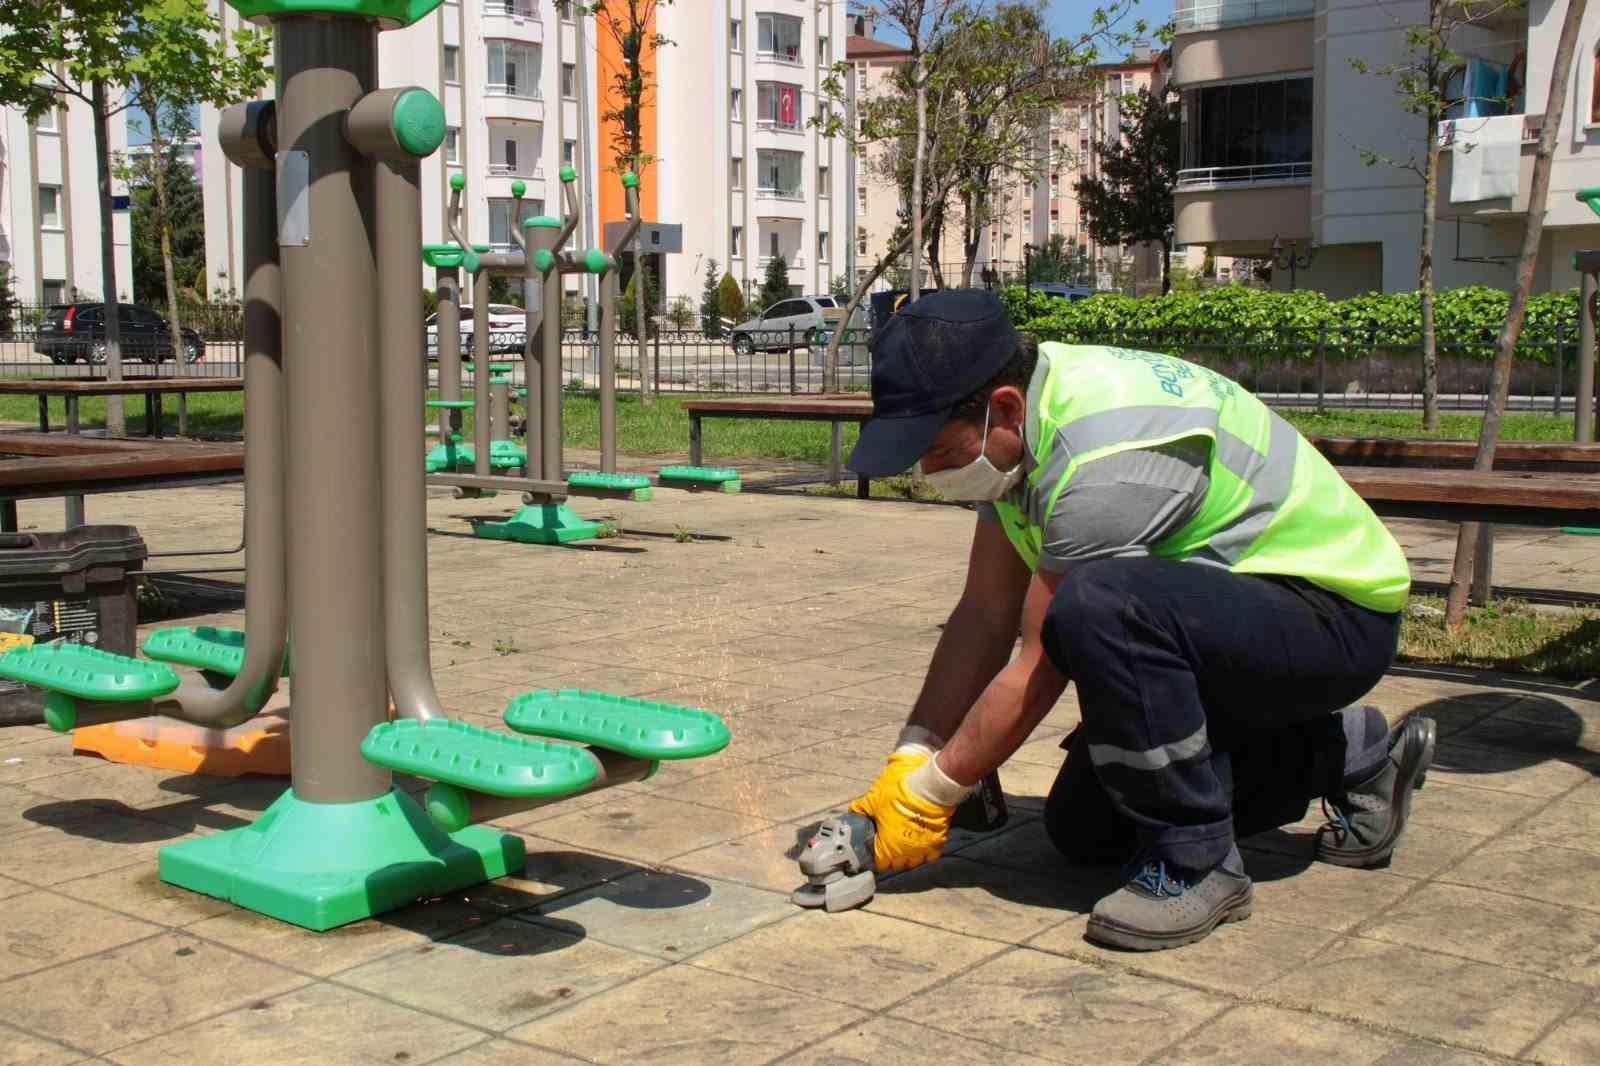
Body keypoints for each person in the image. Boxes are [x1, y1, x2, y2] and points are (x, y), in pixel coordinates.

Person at [843, 289, 1434, 952]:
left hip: (1332, 613)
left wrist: (934, 791)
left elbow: (1040, 664)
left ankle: (1198, 862)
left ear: (1002, 409)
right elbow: (983, 614)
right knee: (1084, 830)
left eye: (941, 455)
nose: (928, 473)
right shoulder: (1015, 433)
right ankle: (1347, 754)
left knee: (1099, 608)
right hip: (1231, 619)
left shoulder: (1100, 457)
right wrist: (911, 755)